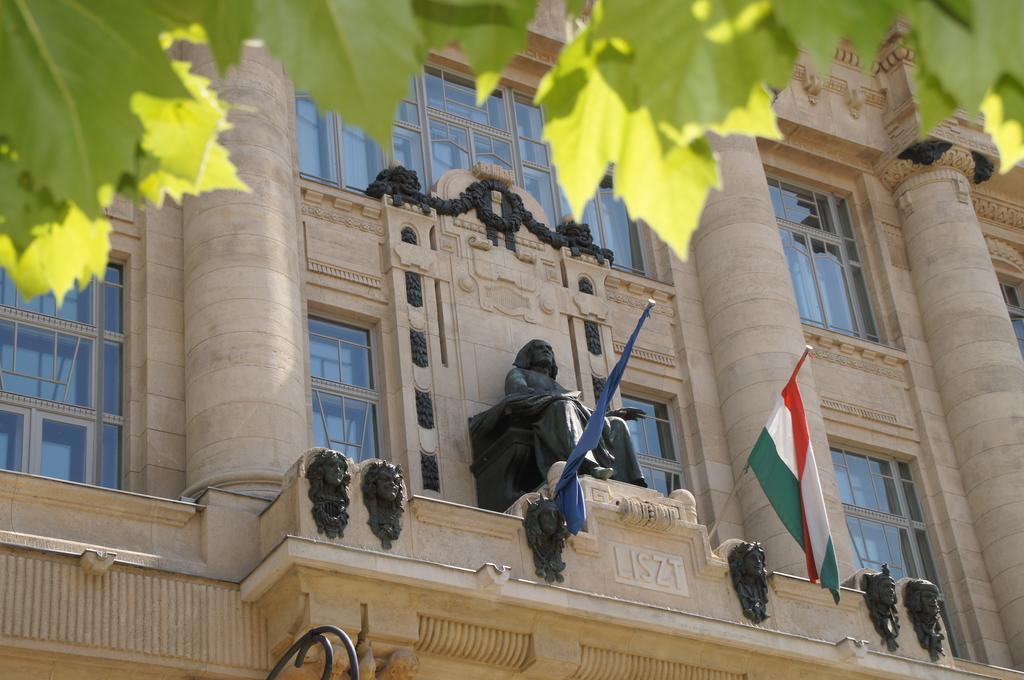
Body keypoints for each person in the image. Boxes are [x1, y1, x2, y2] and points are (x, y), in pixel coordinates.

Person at [471, 339, 647, 486]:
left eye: (549, 349)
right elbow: (518, 394)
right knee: (564, 405)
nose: (546, 351)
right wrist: (555, 399)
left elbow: (582, 411)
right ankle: (585, 466)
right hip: (539, 415)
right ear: (528, 355)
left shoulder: (556, 386)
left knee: (616, 424)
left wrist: (612, 414)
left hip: (563, 411)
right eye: (540, 348)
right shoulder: (519, 373)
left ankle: (630, 480)